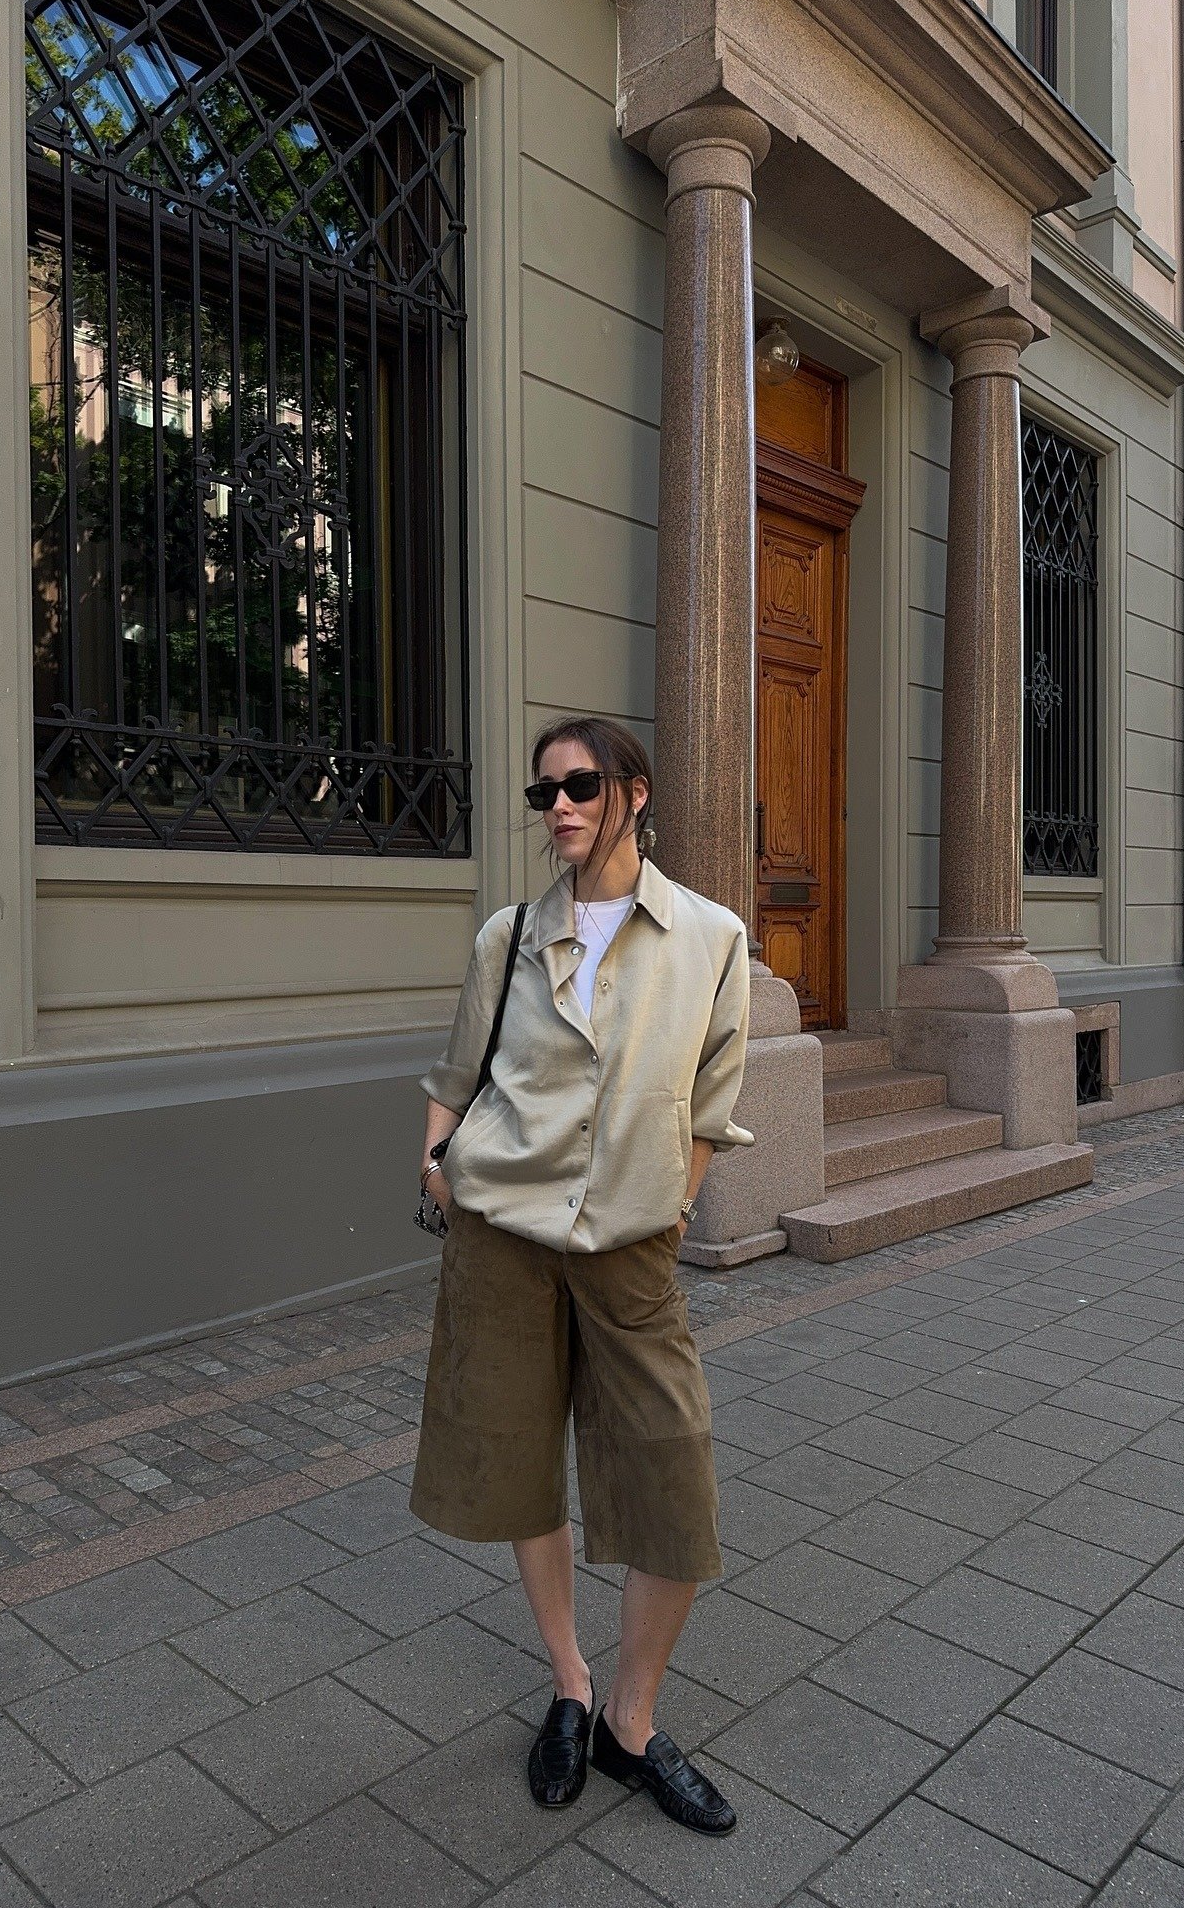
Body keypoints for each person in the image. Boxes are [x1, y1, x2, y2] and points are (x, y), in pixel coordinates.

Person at [410, 713, 753, 1836]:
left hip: (631, 1249)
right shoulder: (506, 935)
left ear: (635, 792)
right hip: (503, 1237)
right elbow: (457, 1075)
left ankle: (632, 1721)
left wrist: (677, 1198)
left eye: (582, 784)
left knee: (671, 1472)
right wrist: (437, 1163)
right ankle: (569, 1684)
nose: (559, 804)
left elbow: (712, 1098)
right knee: (517, 1466)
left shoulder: (710, 936)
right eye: (544, 790)